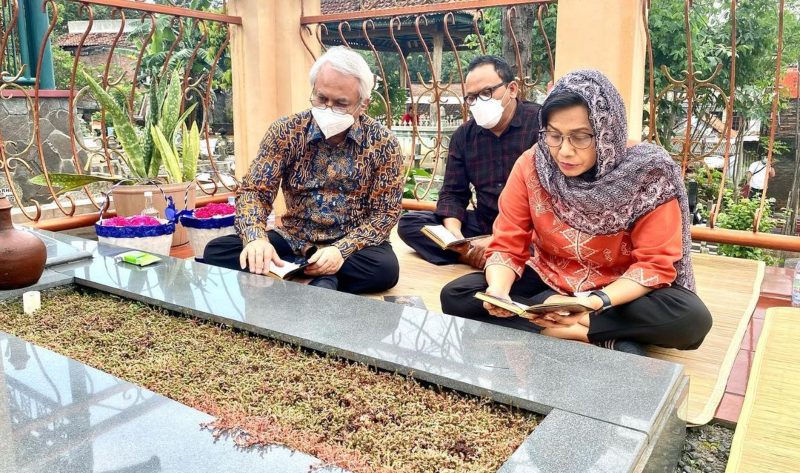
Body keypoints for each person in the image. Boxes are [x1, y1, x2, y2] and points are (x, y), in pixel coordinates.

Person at [440, 69, 712, 356]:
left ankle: (565, 326)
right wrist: (498, 291)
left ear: (608, 131)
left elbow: (654, 264)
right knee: (457, 296)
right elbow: (508, 243)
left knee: (691, 319)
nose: (564, 151)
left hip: (618, 291)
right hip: (550, 277)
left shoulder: (647, 173)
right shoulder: (533, 165)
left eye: (580, 137)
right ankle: (599, 336)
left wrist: (591, 304)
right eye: (554, 135)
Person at [203, 46, 404, 294]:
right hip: (294, 237)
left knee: (384, 270)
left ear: (363, 104)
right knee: (218, 251)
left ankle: (296, 274)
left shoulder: (383, 143)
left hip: (353, 246)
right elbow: (255, 190)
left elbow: (386, 213)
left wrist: (341, 250)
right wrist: (256, 238)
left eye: (341, 104)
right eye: (321, 99)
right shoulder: (286, 131)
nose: (328, 108)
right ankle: (319, 278)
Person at [397, 55, 541, 268]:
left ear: (512, 89)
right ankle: (479, 256)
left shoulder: (541, 125)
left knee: (547, 245)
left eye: (486, 93)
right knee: (410, 223)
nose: (478, 103)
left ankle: (493, 254)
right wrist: (454, 236)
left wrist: (500, 238)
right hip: (485, 223)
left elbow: (555, 201)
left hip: (530, 229)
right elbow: (453, 193)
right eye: (471, 98)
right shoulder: (465, 135)